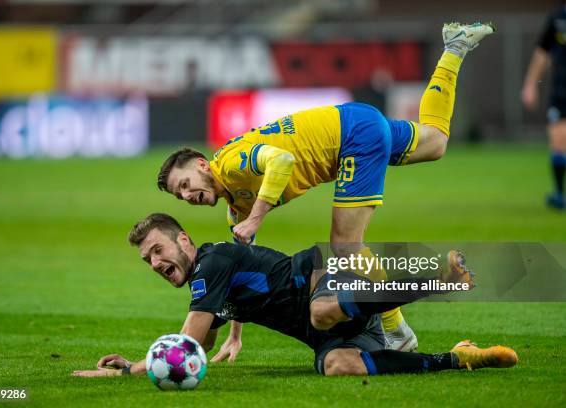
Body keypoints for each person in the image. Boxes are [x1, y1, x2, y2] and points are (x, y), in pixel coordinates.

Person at [156, 22, 495, 352]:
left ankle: (397, 333)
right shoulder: (235, 206)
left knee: (346, 245)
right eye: (178, 194)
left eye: (185, 183)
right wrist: (235, 334)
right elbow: (238, 270)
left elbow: (281, 162)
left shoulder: (230, 165)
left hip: (352, 137)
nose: (186, 196)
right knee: (434, 142)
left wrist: (257, 218)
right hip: (353, 121)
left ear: (203, 165)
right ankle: (454, 47)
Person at [72, 213, 517, 378]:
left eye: (157, 250)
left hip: (325, 273)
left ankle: (440, 278)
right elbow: (201, 345)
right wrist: (233, 335)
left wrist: (132, 371)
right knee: (337, 365)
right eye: (146, 260)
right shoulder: (209, 279)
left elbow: (187, 342)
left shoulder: (210, 264)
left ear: (184, 240)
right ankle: (457, 359)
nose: (154, 263)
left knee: (322, 312)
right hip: (332, 325)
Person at [521, 1, 566, 210]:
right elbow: (542, 53)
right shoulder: (557, 19)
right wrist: (531, 85)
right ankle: (559, 193)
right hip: (561, 90)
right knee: (558, 139)